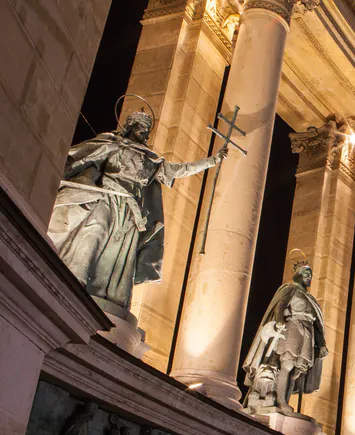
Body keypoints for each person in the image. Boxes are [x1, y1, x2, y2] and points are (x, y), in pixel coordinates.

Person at [47, 108, 227, 310]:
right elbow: (83, 157)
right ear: (130, 126)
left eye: (148, 130)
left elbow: (180, 170)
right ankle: (76, 277)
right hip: (108, 197)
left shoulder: (151, 160)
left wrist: (212, 161)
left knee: (121, 253)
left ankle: (109, 296)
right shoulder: (113, 145)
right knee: (95, 230)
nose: (145, 133)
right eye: (142, 127)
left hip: (132, 210)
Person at [243, 262, 327, 416]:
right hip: (293, 326)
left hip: (308, 331)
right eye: (306, 273)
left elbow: (317, 325)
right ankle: (281, 401)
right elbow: (280, 305)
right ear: (299, 273)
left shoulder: (310, 298)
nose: (309, 277)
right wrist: (279, 319)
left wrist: (321, 344)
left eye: (310, 275)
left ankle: (285, 399)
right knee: (287, 364)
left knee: (296, 370)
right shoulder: (290, 289)